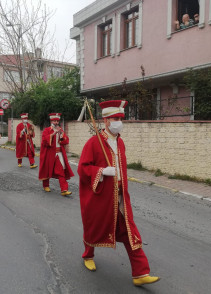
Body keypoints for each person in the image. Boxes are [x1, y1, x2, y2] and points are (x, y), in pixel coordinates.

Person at [77, 100, 160, 286]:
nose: (119, 122)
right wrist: (101, 171)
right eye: (115, 118)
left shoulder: (120, 142)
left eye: (121, 118)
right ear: (106, 121)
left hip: (121, 197)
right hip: (101, 197)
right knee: (94, 228)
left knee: (130, 231)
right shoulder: (93, 142)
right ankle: (88, 255)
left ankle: (140, 273)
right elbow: (82, 169)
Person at [39, 113, 74, 196]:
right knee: (47, 169)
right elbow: (44, 141)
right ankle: (46, 185)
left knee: (61, 171)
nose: (56, 123)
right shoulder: (47, 130)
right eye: (54, 121)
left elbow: (66, 141)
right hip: (49, 154)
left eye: (57, 121)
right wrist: (53, 134)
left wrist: (62, 136)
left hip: (59, 154)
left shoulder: (60, 130)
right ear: (51, 121)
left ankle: (64, 189)